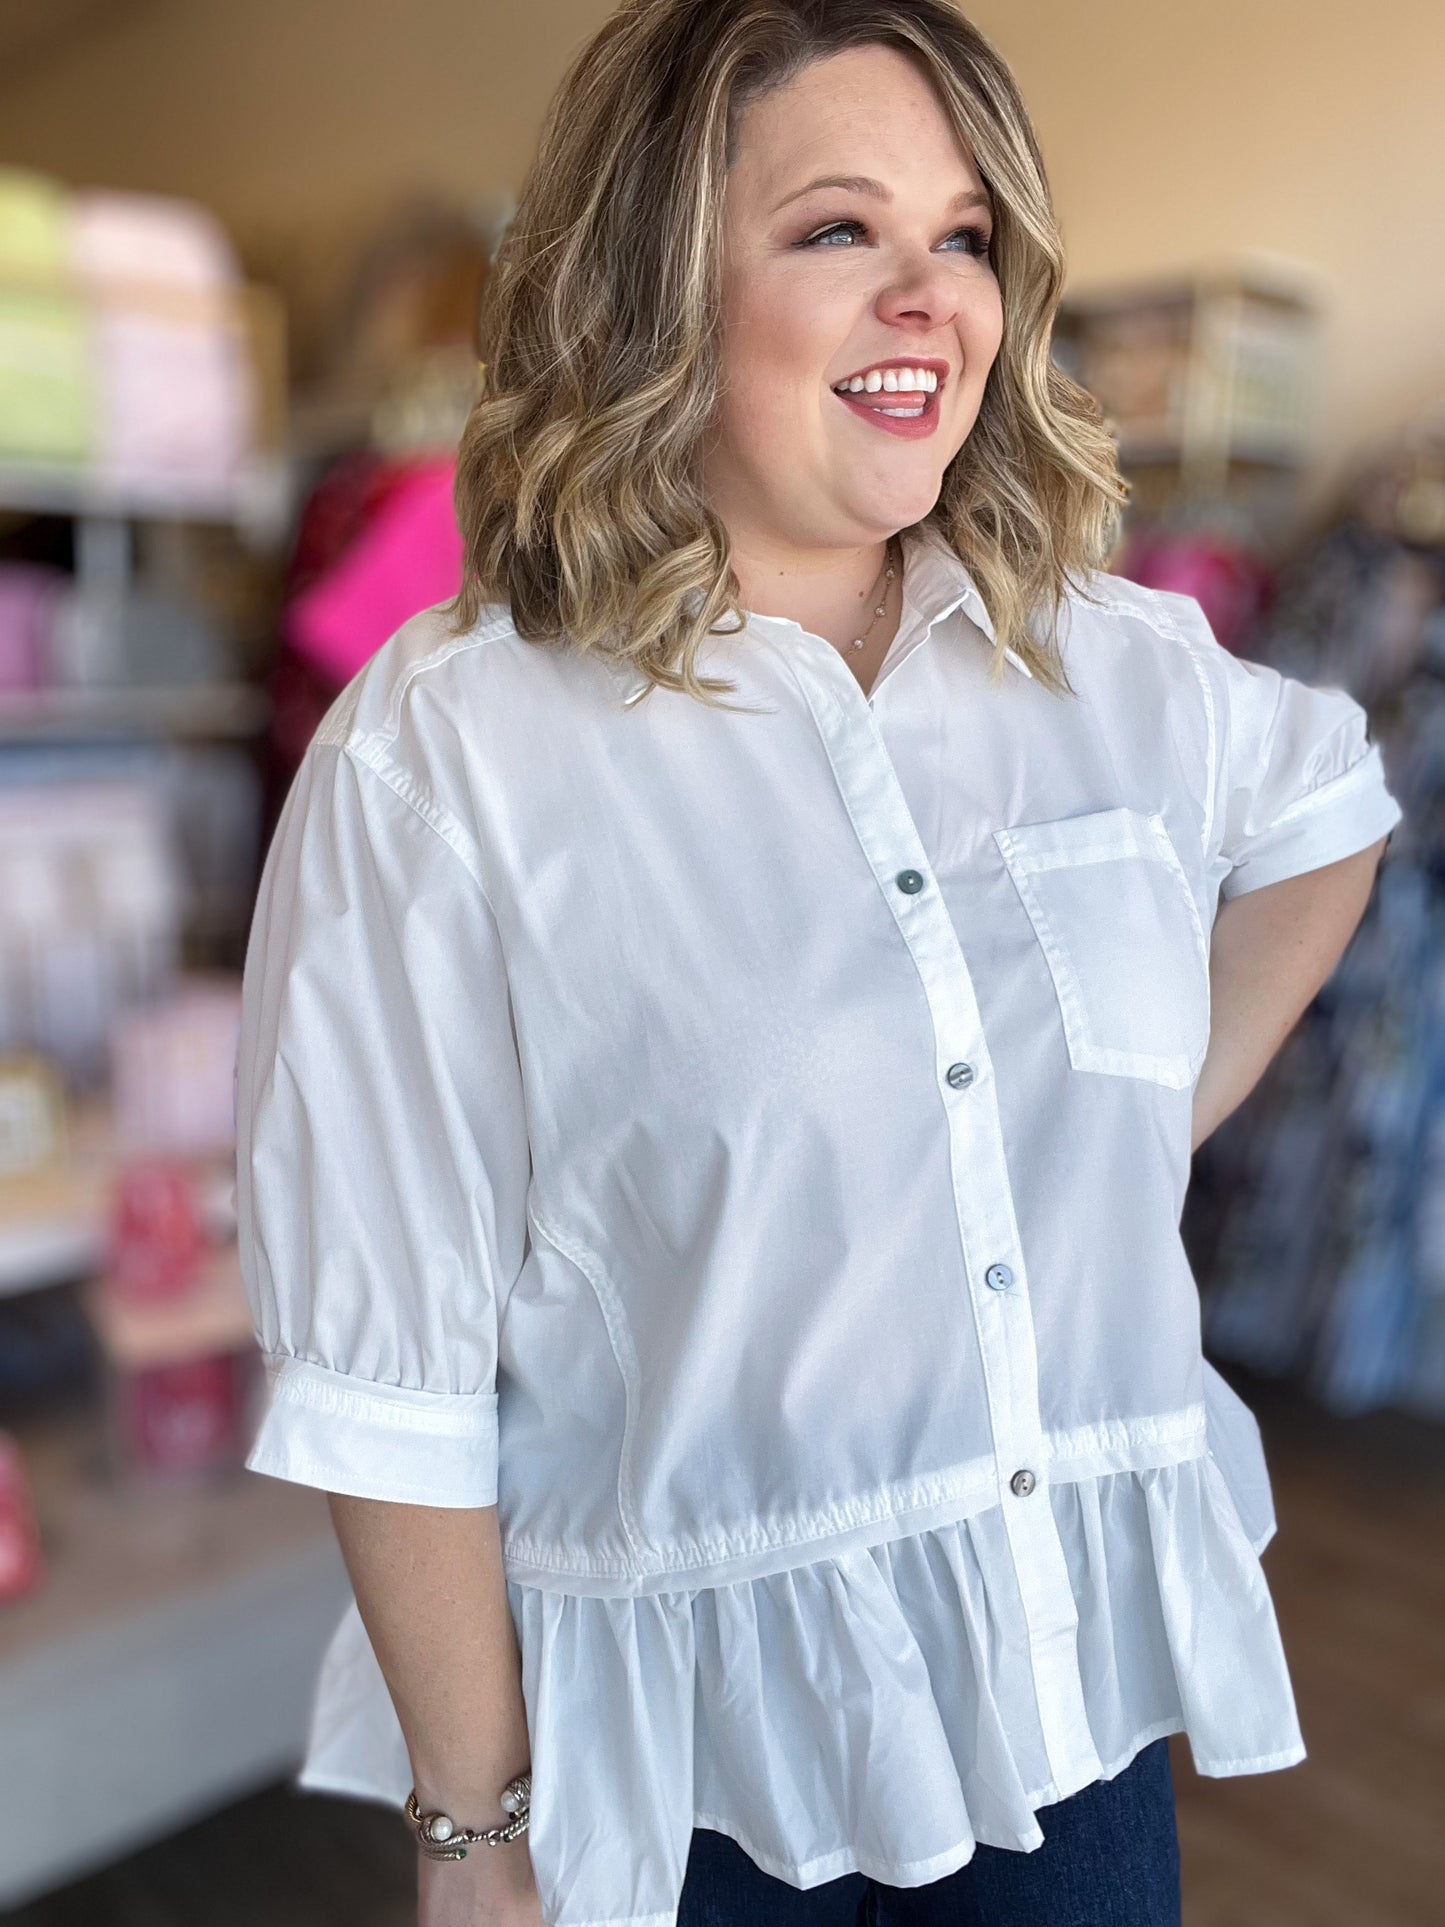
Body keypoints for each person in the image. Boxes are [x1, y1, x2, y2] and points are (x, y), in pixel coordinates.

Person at [233, 4, 1402, 1925]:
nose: (928, 297)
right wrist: (473, 1834)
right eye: (838, 230)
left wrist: (1144, 1118)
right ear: (655, 286)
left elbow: (1329, 813)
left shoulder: (1103, 662)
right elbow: (393, 1366)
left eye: (964, 237)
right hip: (693, 1768)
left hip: (1062, 1714)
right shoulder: (451, 749)